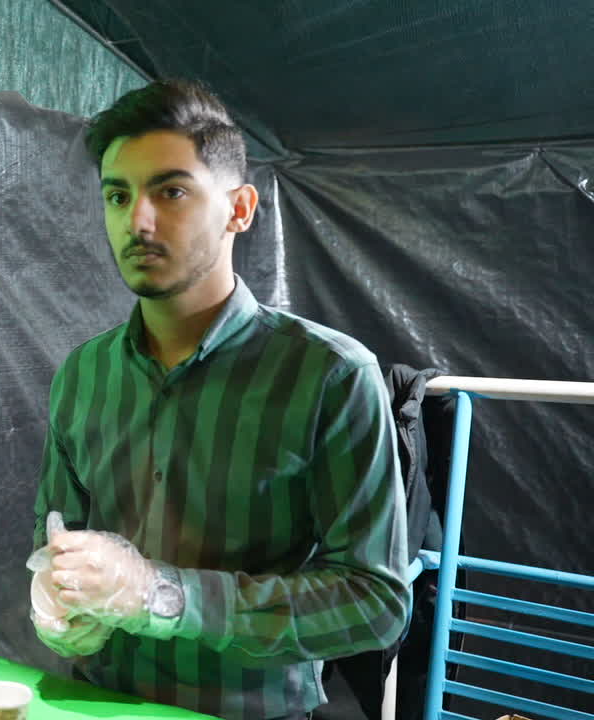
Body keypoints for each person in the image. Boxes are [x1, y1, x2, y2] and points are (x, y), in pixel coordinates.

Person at [30, 78, 410, 720]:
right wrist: (56, 601)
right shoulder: (84, 373)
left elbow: (375, 601)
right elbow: (55, 535)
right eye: (118, 195)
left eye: (171, 191)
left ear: (239, 208)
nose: (137, 221)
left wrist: (164, 597)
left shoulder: (331, 376)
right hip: (95, 700)